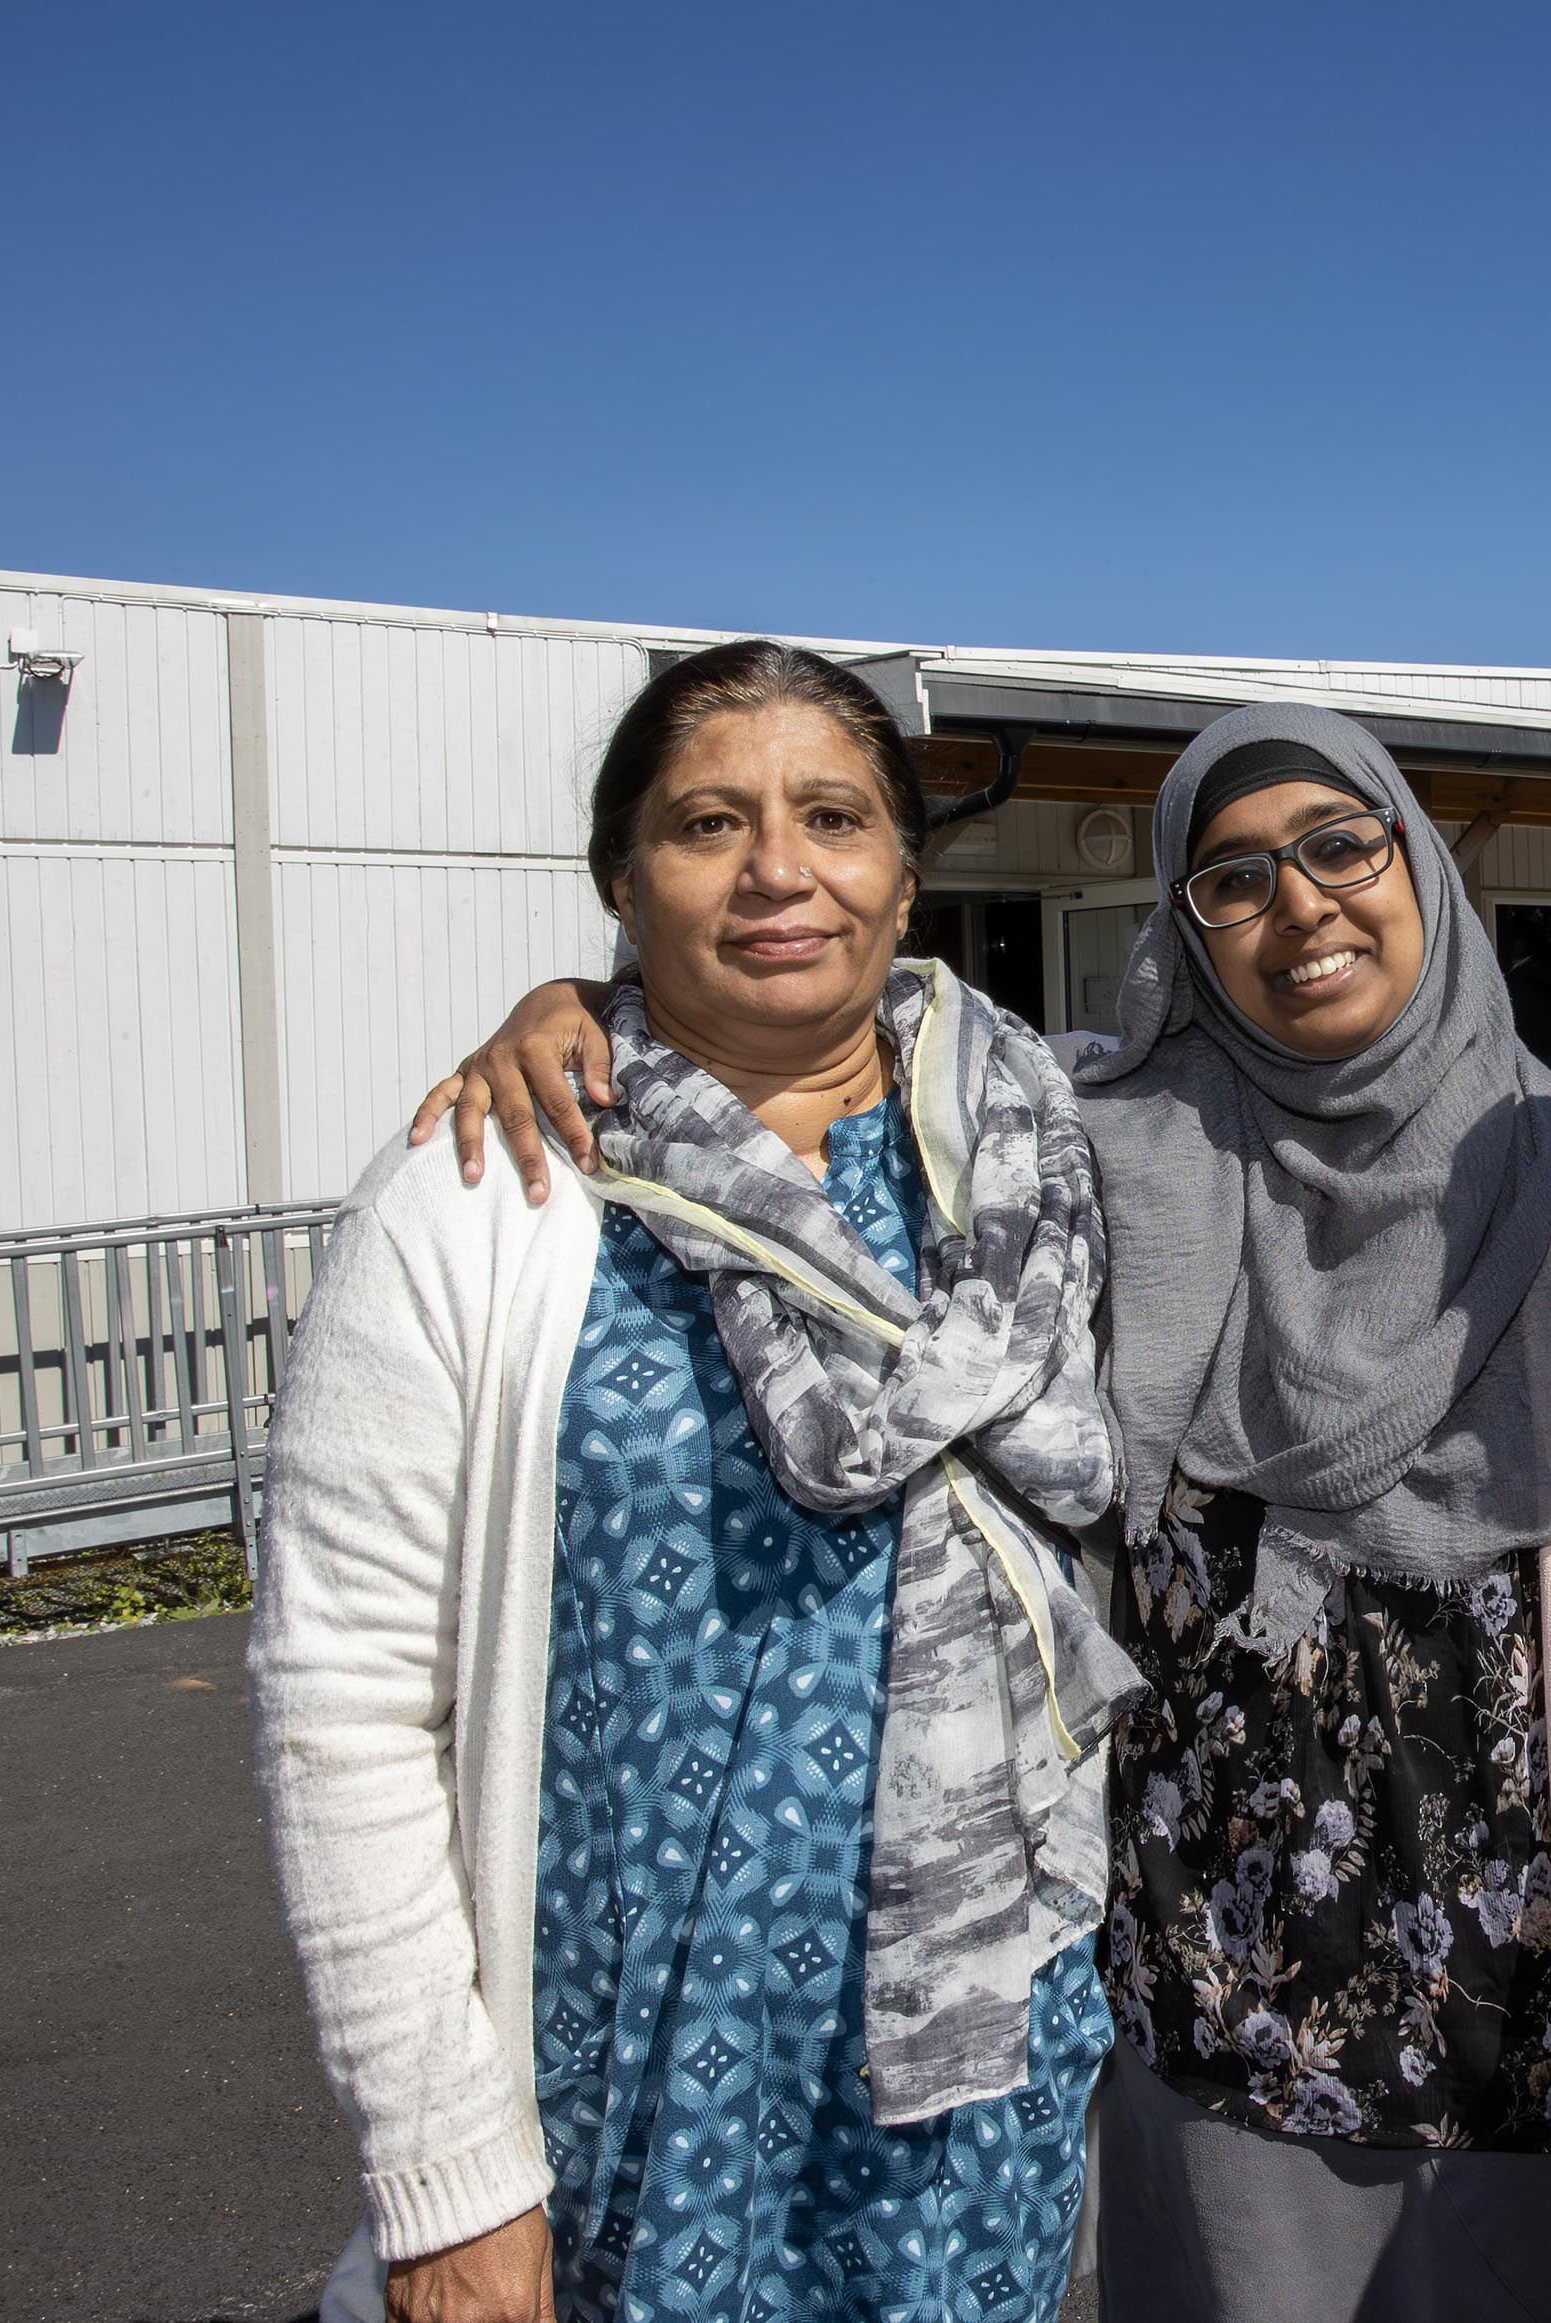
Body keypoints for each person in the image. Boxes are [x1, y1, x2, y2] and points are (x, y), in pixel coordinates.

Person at [422, 701, 1551, 2322]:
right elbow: (847, 1024)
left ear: (1419, 865)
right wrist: (590, 1004)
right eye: (1233, 877)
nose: (1299, 905)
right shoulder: (1096, 1149)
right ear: (1186, 929)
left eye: (1342, 848)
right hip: (1216, 2000)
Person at [255, 639, 1139, 2323]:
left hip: (977, 2079)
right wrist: (446, 2171)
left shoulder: (1038, 1154)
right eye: (708, 824)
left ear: (905, 876)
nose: (778, 870)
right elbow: (342, 1702)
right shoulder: (483, 1192)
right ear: (620, 877)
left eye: (834, 818)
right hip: (617, 2107)